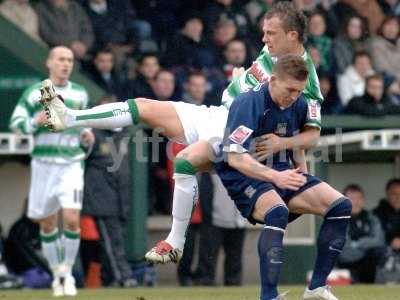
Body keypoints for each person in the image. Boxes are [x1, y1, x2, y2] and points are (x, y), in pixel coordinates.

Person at [39, 1, 323, 265]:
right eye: (264, 32)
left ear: (293, 35)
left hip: (237, 131)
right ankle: (70, 117)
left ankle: (175, 240)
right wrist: (241, 84)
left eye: (271, 33)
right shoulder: (274, 53)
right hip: (216, 114)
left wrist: (289, 154)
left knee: (185, 160)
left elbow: (309, 133)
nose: (264, 39)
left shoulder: (305, 78)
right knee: (144, 106)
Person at [214, 54, 351, 300]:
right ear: (273, 79)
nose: (294, 96)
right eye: (290, 89)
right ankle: (269, 296)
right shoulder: (250, 102)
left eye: (299, 91)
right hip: (243, 174)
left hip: (281, 171)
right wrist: (275, 178)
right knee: (277, 211)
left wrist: (304, 175)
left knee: (341, 206)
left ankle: (316, 289)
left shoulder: (298, 103)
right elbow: (233, 157)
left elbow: (296, 142)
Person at [9, 46, 94, 297]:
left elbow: (83, 125)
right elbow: (17, 124)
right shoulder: (36, 93)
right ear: (49, 63)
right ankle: (57, 273)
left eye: (69, 60)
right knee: (47, 223)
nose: (65, 64)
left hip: (71, 164)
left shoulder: (80, 94)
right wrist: (37, 121)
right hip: (44, 165)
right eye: (61, 59)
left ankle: (67, 274)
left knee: (71, 219)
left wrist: (87, 134)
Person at [337, 184, 385, 283]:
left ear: (363, 200)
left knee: (378, 253)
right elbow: (345, 249)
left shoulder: (371, 218)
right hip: (345, 262)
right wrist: (366, 246)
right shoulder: (339, 219)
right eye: (351, 198)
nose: (356, 202)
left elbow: (379, 241)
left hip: (368, 263)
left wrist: (358, 244)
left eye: (359, 198)